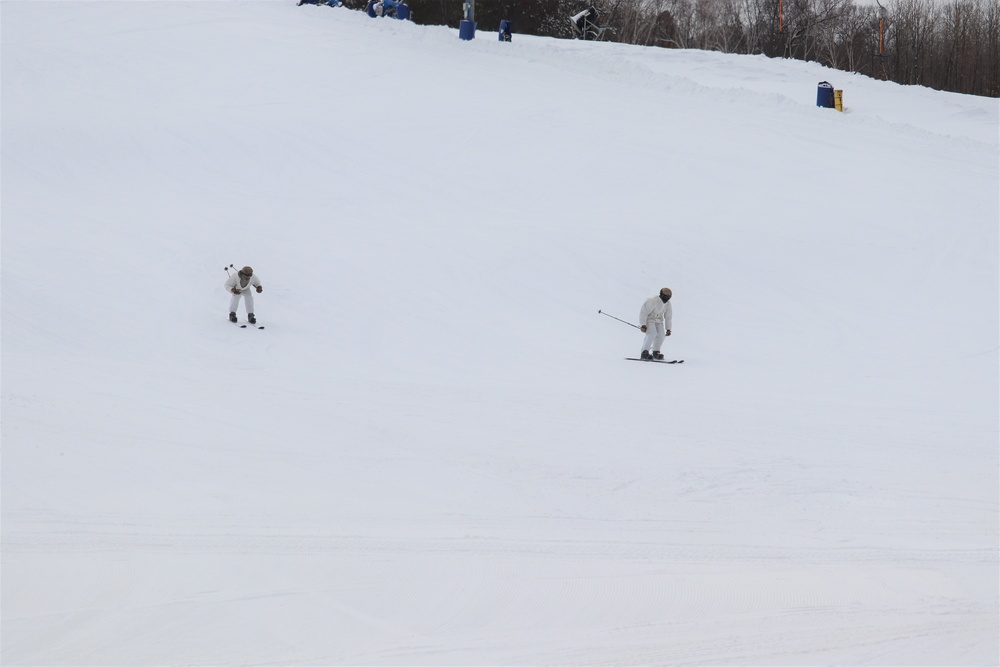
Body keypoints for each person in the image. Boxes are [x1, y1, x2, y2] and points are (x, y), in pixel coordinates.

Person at [639, 287, 672, 360]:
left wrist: (668, 329)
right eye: (666, 297)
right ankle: (644, 352)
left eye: (669, 297)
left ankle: (656, 352)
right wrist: (643, 324)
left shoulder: (668, 304)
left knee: (661, 335)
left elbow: (668, 316)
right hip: (650, 319)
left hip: (659, 321)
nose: (667, 299)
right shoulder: (653, 301)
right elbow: (644, 312)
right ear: (662, 295)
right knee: (652, 333)